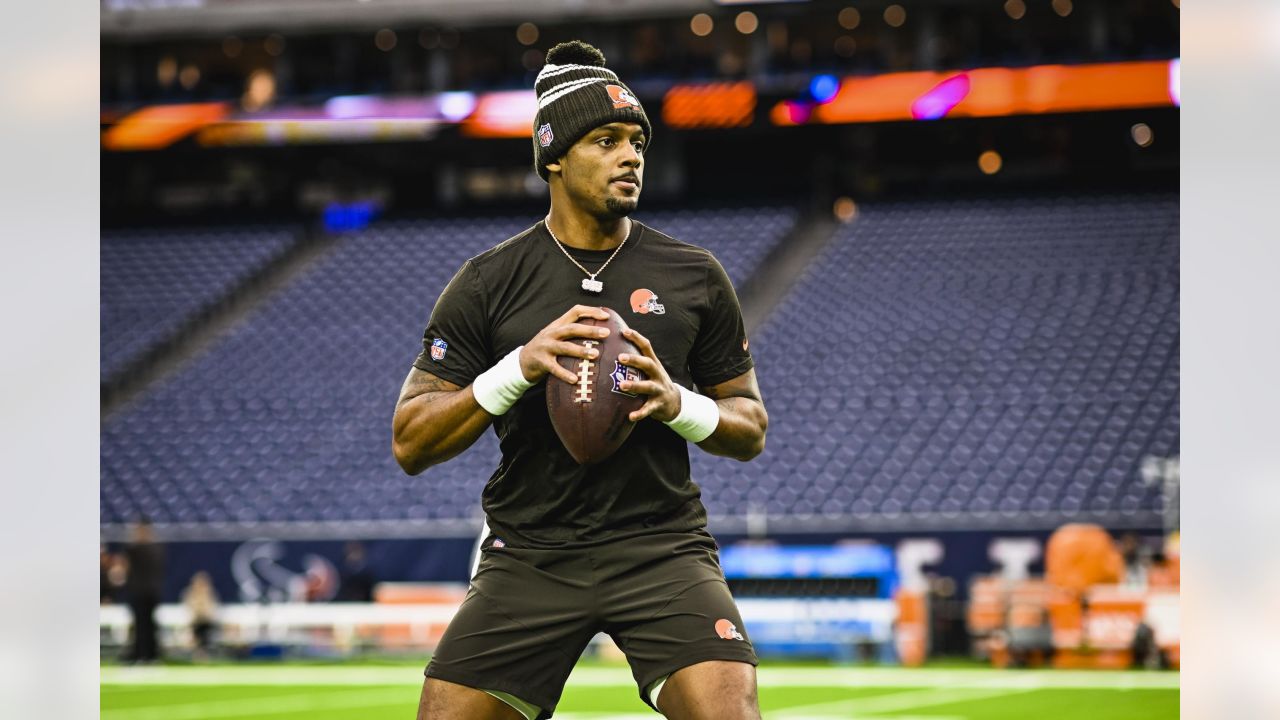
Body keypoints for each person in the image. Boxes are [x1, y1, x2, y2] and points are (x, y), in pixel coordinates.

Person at [392, 40, 768, 720]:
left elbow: (749, 427)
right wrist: (518, 368)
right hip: (531, 553)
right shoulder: (489, 282)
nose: (631, 156)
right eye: (606, 139)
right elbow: (410, 441)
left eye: (637, 141)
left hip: (661, 547)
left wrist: (676, 403)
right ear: (554, 156)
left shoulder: (693, 274)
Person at [123, 518, 166, 663]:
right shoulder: (143, 548)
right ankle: (141, 653)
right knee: (140, 625)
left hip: (147, 591)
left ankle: (148, 654)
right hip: (140, 591)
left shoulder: (141, 549)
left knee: (147, 624)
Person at [181, 571, 219, 660]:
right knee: (197, 630)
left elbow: (211, 610)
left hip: (206, 622)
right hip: (195, 622)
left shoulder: (210, 593)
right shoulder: (189, 593)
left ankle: (203, 653)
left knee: (205, 630)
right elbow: (190, 609)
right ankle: (199, 652)